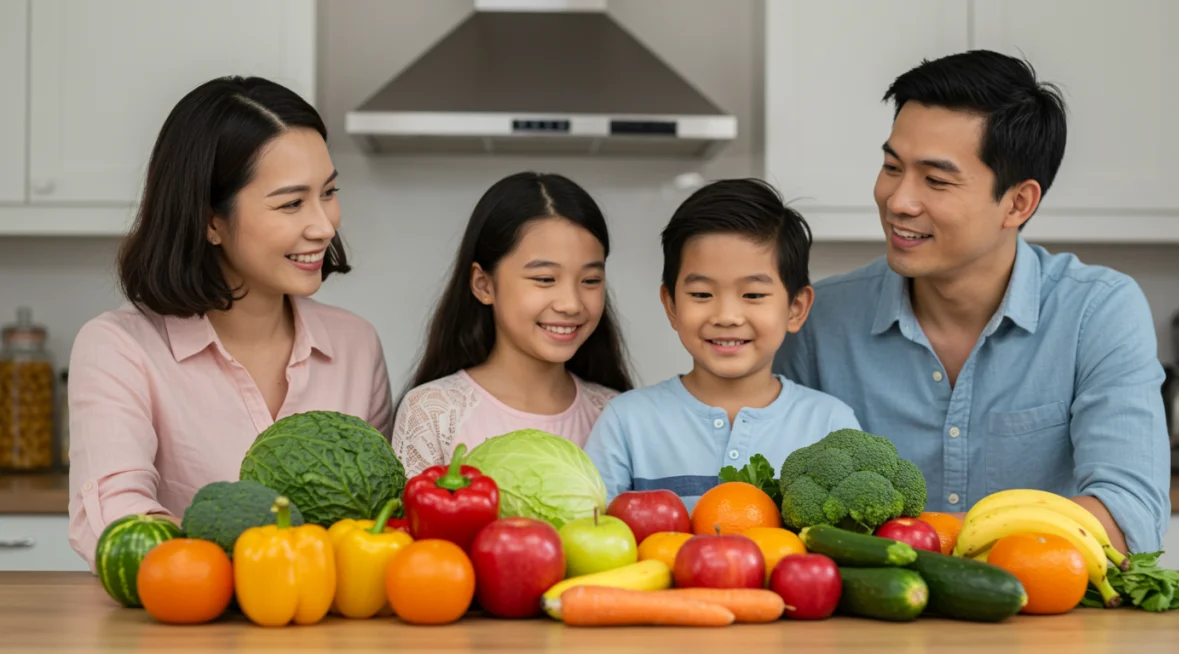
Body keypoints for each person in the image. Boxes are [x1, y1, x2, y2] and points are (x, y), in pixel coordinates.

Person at [774, 50, 1171, 554]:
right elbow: (776, 508)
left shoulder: (1097, 312)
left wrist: (925, 541)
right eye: (891, 166)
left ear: (1018, 202)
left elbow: (1129, 516)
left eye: (936, 180)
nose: (898, 200)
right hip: (867, 620)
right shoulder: (819, 321)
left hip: (1048, 618)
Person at [67, 76, 392, 570]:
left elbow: (380, 515)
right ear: (209, 221)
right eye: (290, 203)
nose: (324, 225)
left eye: (328, 192)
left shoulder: (356, 344)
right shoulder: (118, 348)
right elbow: (118, 523)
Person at [585, 178, 861, 508]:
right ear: (671, 305)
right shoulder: (627, 421)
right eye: (702, 294)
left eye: (753, 295)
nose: (727, 316)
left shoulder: (830, 424)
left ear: (796, 308)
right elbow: (595, 533)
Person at [392, 172, 634, 473]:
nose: (571, 304)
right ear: (483, 285)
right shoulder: (432, 413)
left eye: (590, 280)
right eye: (545, 279)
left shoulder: (617, 413)